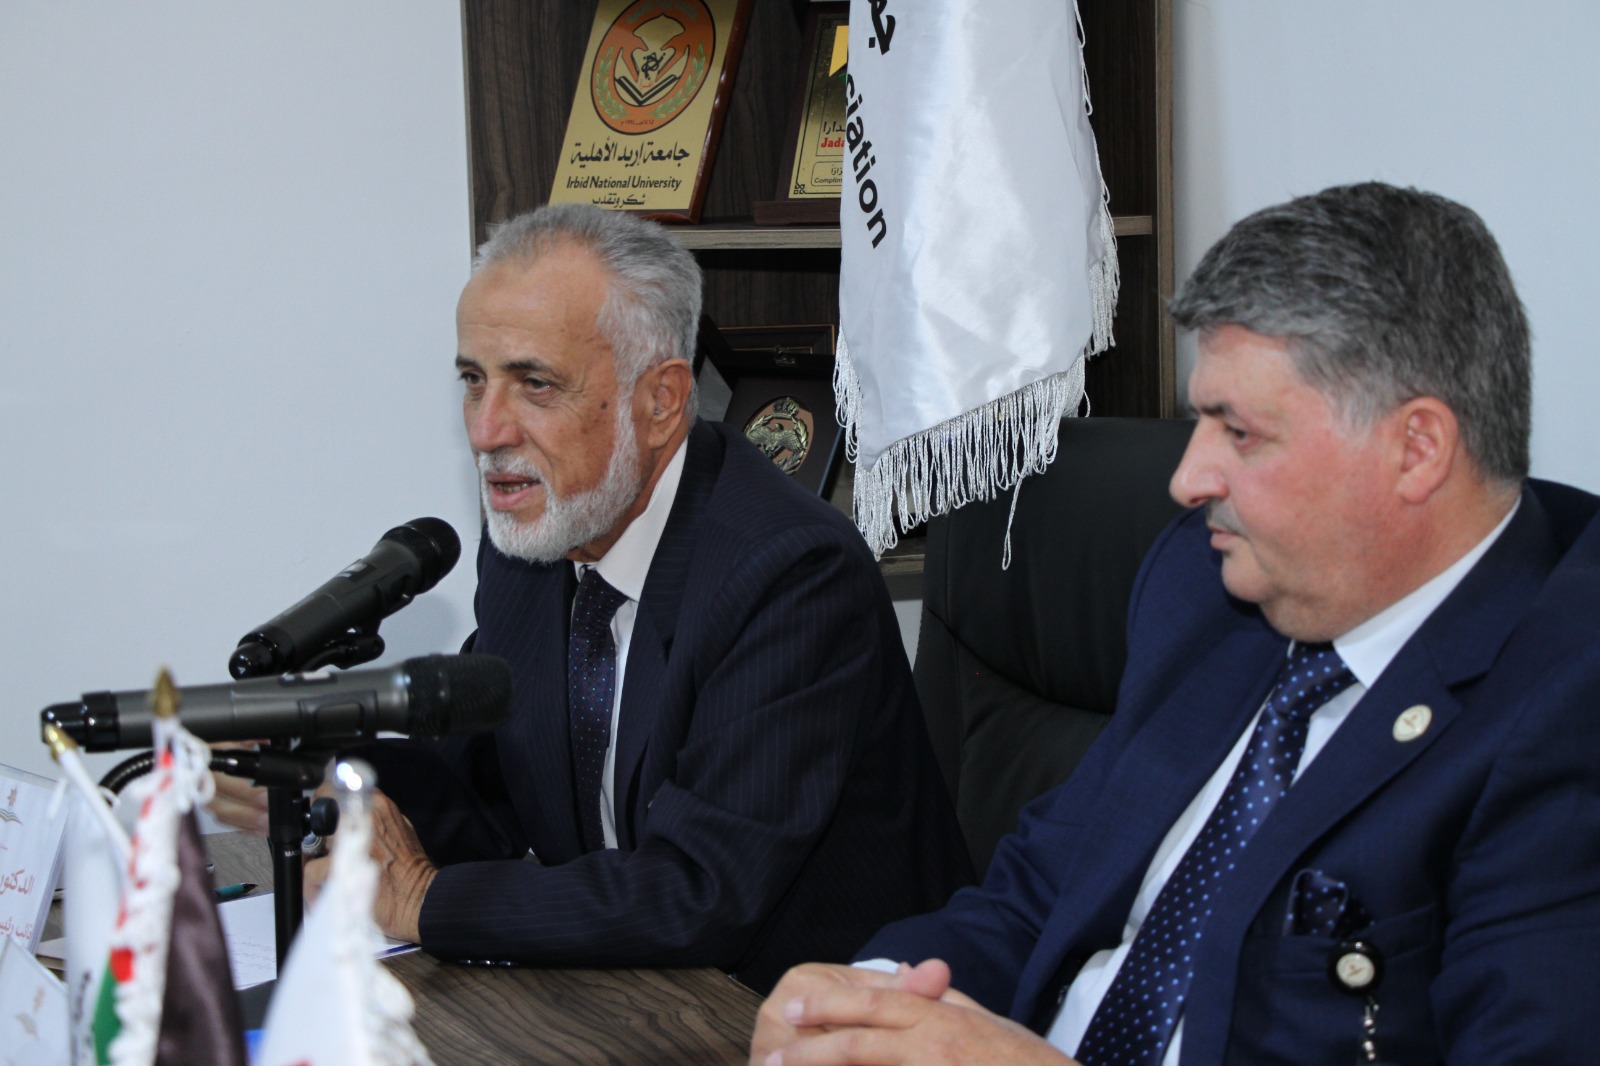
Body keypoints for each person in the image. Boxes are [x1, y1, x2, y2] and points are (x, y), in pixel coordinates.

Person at [749, 182, 1600, 1064]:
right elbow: (1039, 892)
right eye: (1200, 422)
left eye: (1240, 433)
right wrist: (862, 1004)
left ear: (1416, 449)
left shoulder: (1569, 702)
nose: (1187, 481)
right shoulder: (1207, 583)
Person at [212, 203, 971, 994]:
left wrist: (420, 900)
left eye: (535, 384)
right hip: (634, 996)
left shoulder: (788, 573)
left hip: (822, 1010)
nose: (486, 431)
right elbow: (487, 792)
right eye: (474, 381)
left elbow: (700, 890)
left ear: (661, 401)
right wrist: (321, 776)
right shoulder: (539, 537)